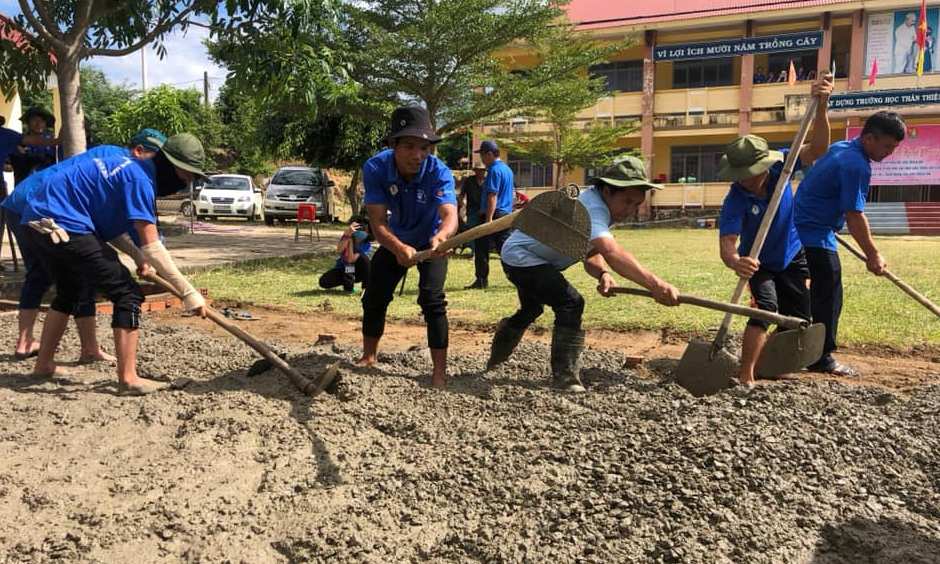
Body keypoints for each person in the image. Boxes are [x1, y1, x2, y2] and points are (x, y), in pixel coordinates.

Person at [21, 133, 208, 395]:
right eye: (186, 176)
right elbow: (153, 245)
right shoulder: (139, 178)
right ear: (169, 164)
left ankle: (43, 365)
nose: (185, 184)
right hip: (63, 223)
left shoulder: (126, 166)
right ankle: (129, 379)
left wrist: (137, 256)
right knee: (127, 294)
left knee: (69, 291)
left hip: (36, 221)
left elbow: (109, 232)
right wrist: (189, 293)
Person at [487, 156, 680, 392]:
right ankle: (566, 378)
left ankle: (496, 359)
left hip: (530, 258)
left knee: (531, 309)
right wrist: (655, 284)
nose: (630, 210)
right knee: (571, 303)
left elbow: (590, 252)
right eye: (627, 201)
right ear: (608, 190)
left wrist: (602, 274)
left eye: (636, 204)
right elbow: (611, 251)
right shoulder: (593, 208)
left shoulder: (600, 206)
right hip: (522, 258)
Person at [1, 129, 167, 360]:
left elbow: (120, 226)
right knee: (44, 274)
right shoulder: (117, 160)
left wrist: (144, 258)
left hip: (40, 206)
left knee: (77, 277)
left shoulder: (126, 166)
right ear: (138, 151)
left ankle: (88, 348)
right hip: (34, 205)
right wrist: (147, 257)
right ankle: (26, 342)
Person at [717, 74, 833, 388]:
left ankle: (774, 365)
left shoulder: (784, 164)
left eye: (752, 174)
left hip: (792, 254)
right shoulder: (735, 198)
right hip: (759, 262)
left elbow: (820, 147)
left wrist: (821, 106)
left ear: (765, 165)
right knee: (765, 311)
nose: (747, 180)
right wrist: (735, 261)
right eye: (741, 175)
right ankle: (746, 374)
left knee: (798, 318)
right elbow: (727, 242)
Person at [794, 111, 906, 377]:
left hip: (804, 227)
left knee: (808, 290)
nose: (890, 152)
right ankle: (821, 357)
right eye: (887, 146)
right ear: (869, 138)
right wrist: (873, 254)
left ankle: (804, 347)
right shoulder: (856, 165)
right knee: (829, 293)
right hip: (812, 232)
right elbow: (854, 216)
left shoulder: (841, 148)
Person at [357, 106, 458, 388]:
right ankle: (368, 356)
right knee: (374, 295)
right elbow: (377, 223)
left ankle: (439, 373)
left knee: (432, 300)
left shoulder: (439, 171)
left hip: (432, 242)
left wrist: (443, 237)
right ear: (393, 145)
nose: (418, 155)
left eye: (424, 147)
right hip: (395, 239)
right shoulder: (375, 168)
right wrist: (399, 247)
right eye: (410, 146)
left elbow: (450, 214)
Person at [466, 140, 514, 290]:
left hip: (492, 214)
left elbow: (492, 196)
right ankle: (519, 278)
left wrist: (488, 221)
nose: (481, 159)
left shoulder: (493, 170)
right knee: (506, 249)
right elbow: (511, 194)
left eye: (482, 155)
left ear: (489, 154)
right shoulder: (507, 169)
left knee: (481, 249)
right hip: (505, 214)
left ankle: (481, 280)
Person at [319, 217, 372, 293]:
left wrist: (350, 243)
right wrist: (347, 236)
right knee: (324, 281)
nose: (360, 231)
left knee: (356, 263)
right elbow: (339, 250)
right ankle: (348, 286)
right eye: (358, 229)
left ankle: (365, 289)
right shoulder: (346, 236)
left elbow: (350, 259)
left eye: (363, 229)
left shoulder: (367, 244)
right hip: (343, 268)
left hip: (359, 271)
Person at [11, 107, 59, 182]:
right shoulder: (20, 141)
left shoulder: (53, 141)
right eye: (34, 120)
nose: (38, 124)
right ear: (28, 123)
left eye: (42, 121)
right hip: (25, 185)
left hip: (48, 183)